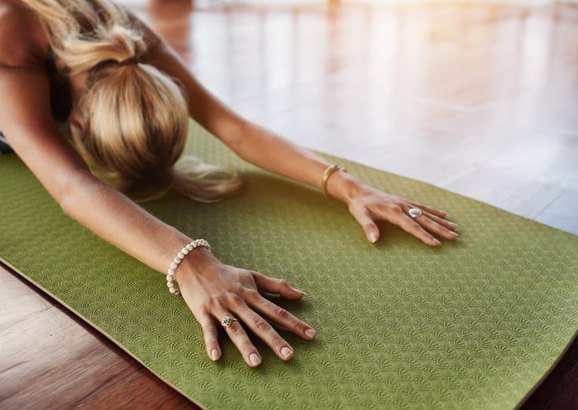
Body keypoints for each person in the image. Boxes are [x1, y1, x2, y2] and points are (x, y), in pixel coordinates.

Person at [0, 0, 458, 368]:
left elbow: (235, 130)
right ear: (75, 123)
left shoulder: (129, 38)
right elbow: (70, 184)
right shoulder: (11, 44)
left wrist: (351, 187)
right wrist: (192, 262)